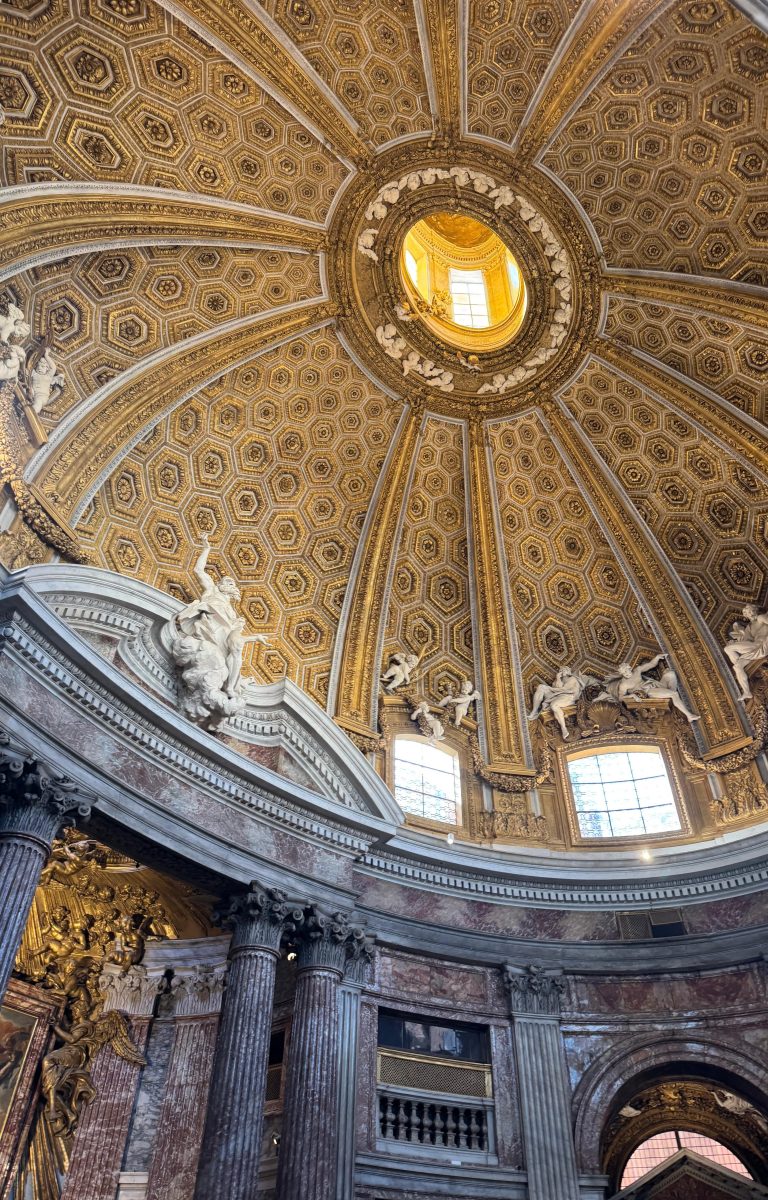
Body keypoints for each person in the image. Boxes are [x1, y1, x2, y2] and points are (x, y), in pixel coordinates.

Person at [527, 666, 596, 741]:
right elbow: (557, 687)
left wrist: (552, 689)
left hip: (568, 696)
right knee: (541, 687)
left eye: (564, 669)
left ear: (568, 671)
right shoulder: (559, 680)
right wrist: (558, 678)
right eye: (561, 670)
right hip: (557, 695)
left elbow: (567, 690)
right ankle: (534, 711)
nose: (562, 671)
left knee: (554, 705)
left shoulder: (572, 678)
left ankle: (563, 728)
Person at [723, 604, 768, 701]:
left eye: (749, 610)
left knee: (728, 649)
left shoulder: (760, 618)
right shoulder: (749, 627)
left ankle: (740, 661)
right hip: (752, 649)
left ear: (755, 610)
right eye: (746, 612)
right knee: (737, 667)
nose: (748, 613)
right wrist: (735, 643)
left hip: (759, 645)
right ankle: (747, 692)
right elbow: (746, 640)